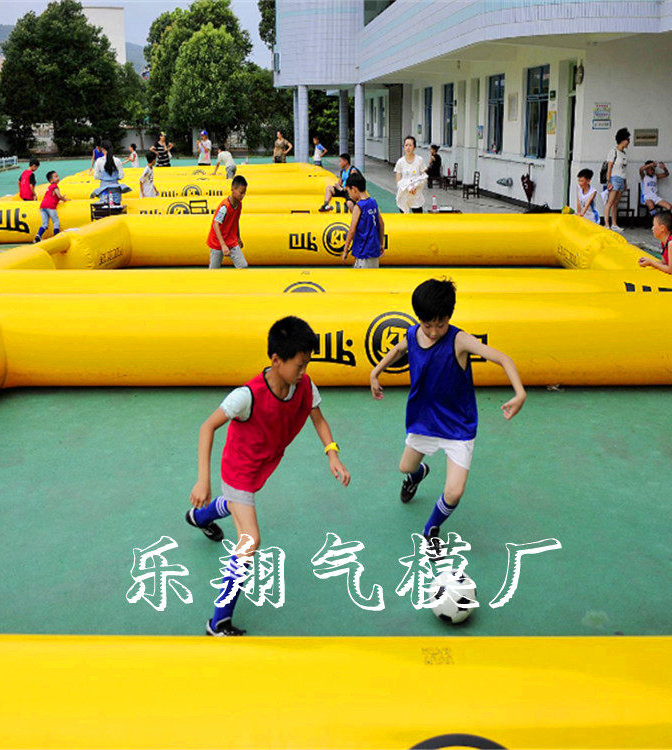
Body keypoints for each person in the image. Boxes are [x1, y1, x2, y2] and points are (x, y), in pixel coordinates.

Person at [186, 315, 350, 636]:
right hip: (238, 470)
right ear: (276, 360)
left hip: (263, 464)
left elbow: (318, 419)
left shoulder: (304, 386)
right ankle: (218, 621)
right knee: (250, 539)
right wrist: (203, 480)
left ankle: (199, 517)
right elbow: (207, 427)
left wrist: (332, 454)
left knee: (235, 505)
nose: (304, 372)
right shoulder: (246, 395)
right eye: (299, 365)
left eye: (307, 364)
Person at [369, 279, 526, 548]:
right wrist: (375, 372)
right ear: (419, 319)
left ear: (449, 317)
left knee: (454, 492)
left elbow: (503, 359)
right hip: (424, 421)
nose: (433, 332)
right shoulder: (413, 334)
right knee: (405, 467)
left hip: (458, 427)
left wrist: (519, 392)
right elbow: (398, 350)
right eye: (427, 325)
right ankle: (418, 475)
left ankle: (431, 528)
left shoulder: (459, 340)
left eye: (440, 325)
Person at [342, 172, 385, 268]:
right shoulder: (373, 202)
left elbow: (352, 230)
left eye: (349, 192)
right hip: (374, 249)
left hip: (363, 251)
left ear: (354, 189)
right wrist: (381, 243)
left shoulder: (359, 206)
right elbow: (381, 224)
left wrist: (345, 249)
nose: (349, 195)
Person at [207, 174, 249, 269]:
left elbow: (235, 221)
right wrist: (223, 245)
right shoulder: (225, 207)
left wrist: (238, 237)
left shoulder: (239, 204)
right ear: (233, 189)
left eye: (244, 193)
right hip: (217, 242)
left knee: (243, 265)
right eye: (241, 192)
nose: (243, 195)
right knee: (214, 270)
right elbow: (216, 224)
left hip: (231, 240)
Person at [638, 212, 672, 278]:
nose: (652, 228)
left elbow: (671, 270)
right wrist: (648, 262)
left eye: (654, 225)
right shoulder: (665, 242)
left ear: (662, 228)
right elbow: (664, 263)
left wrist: (651, 262)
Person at [603, 127, 630, 232]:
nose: (629, 142)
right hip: (614, 178)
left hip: (621, 179)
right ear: (623, 140)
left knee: (616, 203)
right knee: (610, 202)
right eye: (628, 139)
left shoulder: (624, 153)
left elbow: (624, 169)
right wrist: (609, 181)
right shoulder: (613, 151)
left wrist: (625, 182)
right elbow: (609, 167)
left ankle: (614, 224)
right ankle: (606, 224)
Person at [394, 136, 427, 213]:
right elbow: (398, 179)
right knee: (404, 218)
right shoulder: (400, 162)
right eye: (406, 145)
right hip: (404, 194)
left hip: (416, 194)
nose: (408, 148)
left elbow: (424, 176)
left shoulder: (419, 160)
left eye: (410, 145)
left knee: (418, 217)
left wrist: (415, 187)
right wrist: (407, 187)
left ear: (414, 147)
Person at [33, 171, 67, 243]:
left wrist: (59, 199)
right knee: (56, 222)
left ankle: (38, 236)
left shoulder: (49, 187)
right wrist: (64, 199)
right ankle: (56, 237)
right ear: (51, 180)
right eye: (56, 176)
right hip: (50, 206)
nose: (58, 178)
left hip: (42, 206)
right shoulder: (54, 186)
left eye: (57, 176)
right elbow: (58, 195)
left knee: (45, 224)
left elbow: (52, 197)